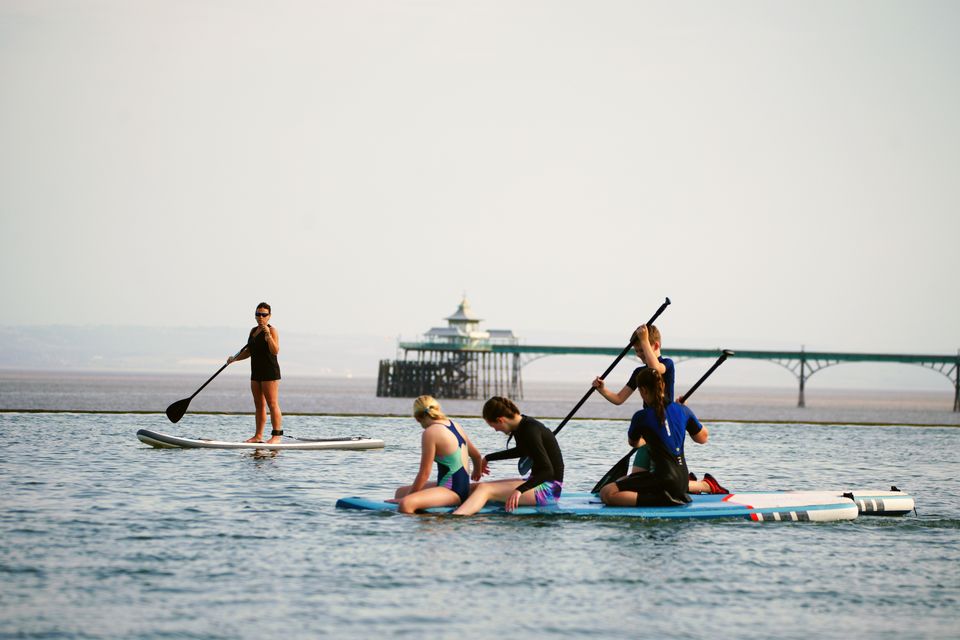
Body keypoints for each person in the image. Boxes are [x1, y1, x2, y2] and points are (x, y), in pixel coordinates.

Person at [593, 324, 727, 494]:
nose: (640, 355)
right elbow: (619, 399)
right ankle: (689, 482)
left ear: (655, 346)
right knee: (638, 478)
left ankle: (704, 485)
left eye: (643, 349)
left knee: (662, 478)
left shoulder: (666, 364)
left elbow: (656, 368)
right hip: (648, 429)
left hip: (667, 428)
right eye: (637, 351)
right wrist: (602, 389)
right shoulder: (639, 373)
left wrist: (643, 338)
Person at [600, 367, 711, 507]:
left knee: (607, 493)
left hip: (663, 480)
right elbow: (703, 438)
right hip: (683, 481)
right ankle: (669, 495)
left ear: (643, 390)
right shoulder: (683, 410)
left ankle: (664, 500)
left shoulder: (641, 416)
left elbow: (634, 443)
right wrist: (686, 412)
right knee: (627, 481)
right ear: (663, 385)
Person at [452, 397, 564, 516]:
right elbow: (521, 451)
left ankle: (458, 518)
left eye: (493, 426)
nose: (495, 430)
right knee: (476, 486)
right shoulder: (521, 426)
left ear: (500, 420)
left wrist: (519, 490)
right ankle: (453, 503)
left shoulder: (530, 430)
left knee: (485, 489)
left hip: (549, 490)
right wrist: (488, 458)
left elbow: (548, 471)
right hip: (536, 481)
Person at [392, 396, 483, 514]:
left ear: (417, 418)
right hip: (460, 487)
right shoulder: (455, 425)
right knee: (399, 492)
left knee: (406, 503)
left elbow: (424, 473)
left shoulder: (430, 432)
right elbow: (476, 456)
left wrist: (407, 498)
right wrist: (477, 471)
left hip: (452, 492)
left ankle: (419, 528)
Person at [227, 302, 282, 444]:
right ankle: (258, 436)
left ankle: (276, 436)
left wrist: (268, 336)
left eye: (264, 315)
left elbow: (275, 351)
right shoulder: (252, 331)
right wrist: (234, 359)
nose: (261, 317)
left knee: (272, 403)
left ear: (269, 316)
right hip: (256, 371)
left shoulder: (272, 330)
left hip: (270, 371)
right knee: (259, 404)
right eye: (258, 314)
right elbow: (249, 352)